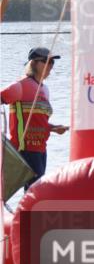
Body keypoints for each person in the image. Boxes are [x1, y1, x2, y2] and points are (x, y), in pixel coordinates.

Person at [1, 48, 69, 191]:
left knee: (34, 194)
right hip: (24, 150)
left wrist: (53, 128)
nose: (51, 66)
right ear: (34, 63)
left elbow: (37, 121)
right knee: (34, 194)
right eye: (47, 61)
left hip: (41, 150)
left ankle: (25, 213)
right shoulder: (19, 86)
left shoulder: (45, 89)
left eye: (53, 62)